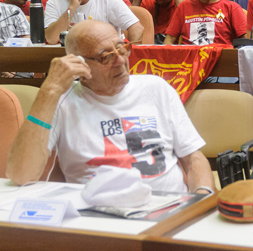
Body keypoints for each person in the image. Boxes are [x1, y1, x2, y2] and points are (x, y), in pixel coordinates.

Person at [6, 19, 215, 194]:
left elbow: (193, 159)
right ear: (80, 66)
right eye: (106, 56)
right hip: (97, 219)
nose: (120, 60)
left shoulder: (156, 88)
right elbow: (21, 175)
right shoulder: (61, 102)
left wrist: (201, 200)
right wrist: (48, 91)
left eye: (121, 47)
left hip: (167, 211)